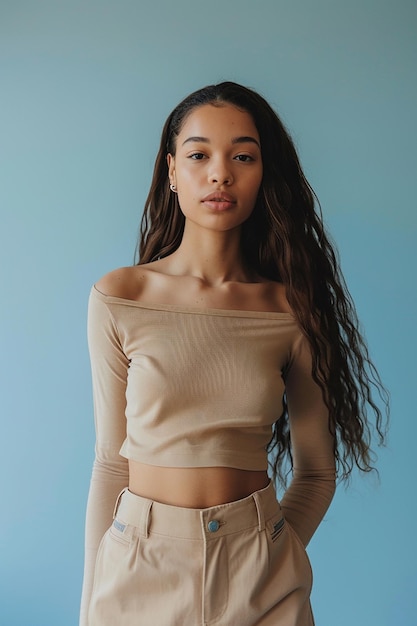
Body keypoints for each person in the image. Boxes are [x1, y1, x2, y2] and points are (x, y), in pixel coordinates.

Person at [80, 81, 388, 626]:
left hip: (260, 572)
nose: (220, 173)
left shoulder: (292, 309)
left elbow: (317, 472)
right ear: (172, 171)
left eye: (242, 156)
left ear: (263, 173)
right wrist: (94, 594)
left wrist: (273, 548)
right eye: (199, 155)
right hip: (139, 567)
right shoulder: (121, 297)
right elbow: (111, 462)